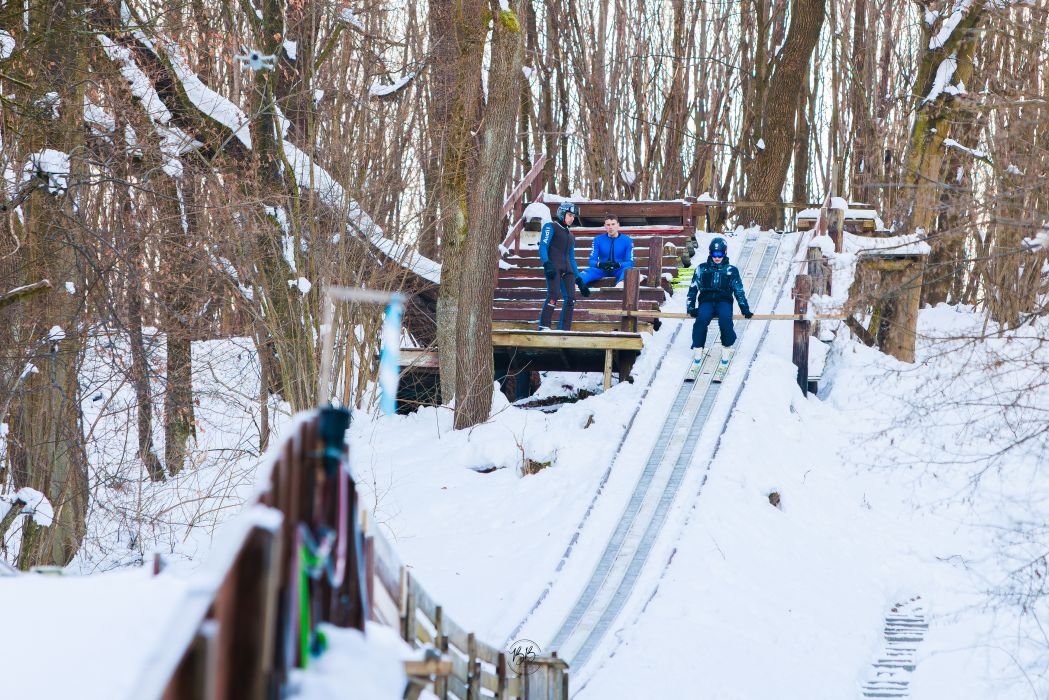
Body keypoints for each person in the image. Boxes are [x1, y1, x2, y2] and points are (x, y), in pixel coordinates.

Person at [686, 237, 753, 367]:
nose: (717, 257)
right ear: (710, 253)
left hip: (724, 301)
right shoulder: (702, 269)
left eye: (720, 254)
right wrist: (690, 307)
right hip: (706, 301)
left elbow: (739, 291)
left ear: (725, 253)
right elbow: (693, 288)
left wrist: (744, 308)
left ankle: (726, 349)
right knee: (701, 319)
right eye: (714, 254)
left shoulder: (731, 270)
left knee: (725, 320)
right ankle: (698, 349)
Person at [538, 201, 589, 330]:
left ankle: (564, 329)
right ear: (562, 213)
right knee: (554, 294)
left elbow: (571, 258)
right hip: (553, 267)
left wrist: (579, 280)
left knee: (571, 299)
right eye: (570, 215)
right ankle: (544, 326)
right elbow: (543, 246)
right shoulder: (550, 227)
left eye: (573, 216)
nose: (572, 218)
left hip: (568, 269)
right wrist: (546, 263)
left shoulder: (571, 236)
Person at [578, 213, 634, 288]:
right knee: (589, 271)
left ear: (618, 225)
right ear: (605, 226)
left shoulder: (627, 240)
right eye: (608, 225)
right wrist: (600, 265)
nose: (610, 227)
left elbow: (630, 262)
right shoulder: (598, 240)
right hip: (602, 270)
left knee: (628, 270)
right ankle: (575, 285)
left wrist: (618, 265)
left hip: (619, 270)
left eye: (613, 224)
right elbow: (591, 261)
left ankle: (619, 286)